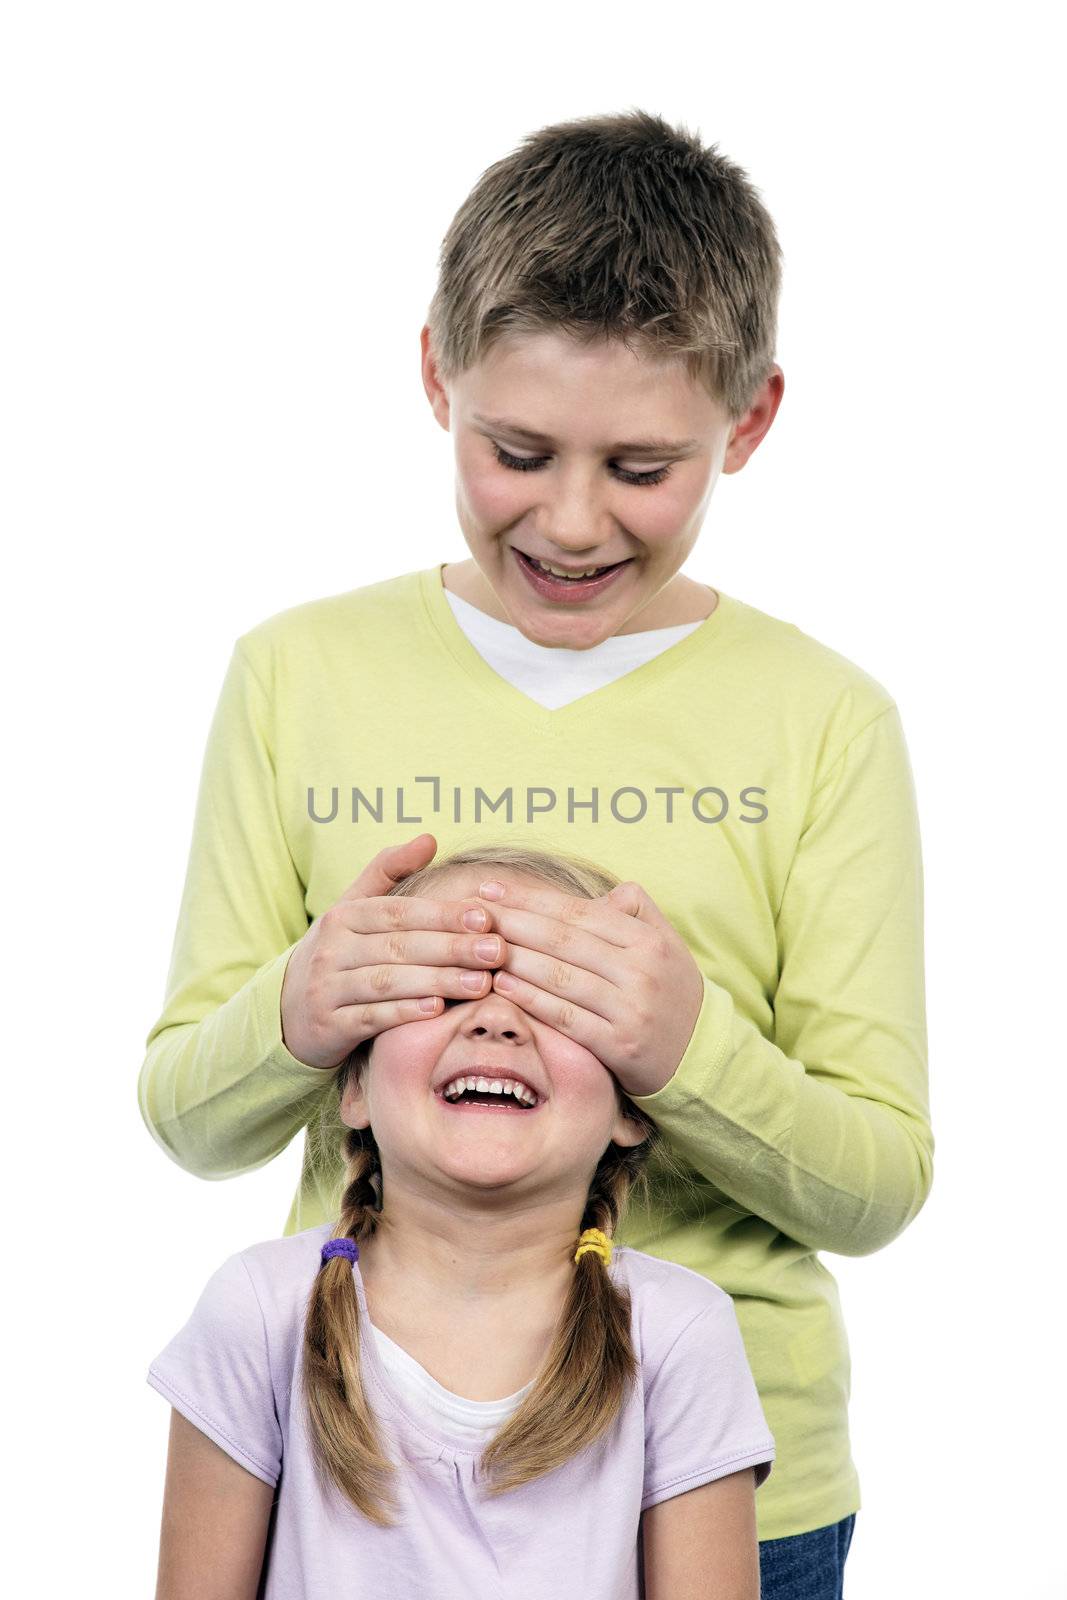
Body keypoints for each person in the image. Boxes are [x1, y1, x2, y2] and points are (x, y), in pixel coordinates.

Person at [139, 109, 931, 1593]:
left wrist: (684, 1049)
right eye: (516, 451)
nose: (570, 522)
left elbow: (877, 1182)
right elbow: (187, 1118)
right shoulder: (297, 675)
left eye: (641, 466)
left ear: (746, 423)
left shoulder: (821, 720)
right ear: (436, 374)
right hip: (348, 1471)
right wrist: (300, 1009)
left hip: (726, 1479)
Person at [147, 845, 776, 1599]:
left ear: (631, 1110)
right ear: (354, 1087)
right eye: (442, 993)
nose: (497, 1024)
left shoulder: (680, 1334)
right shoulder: (258, 1309)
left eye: (554, 1001)